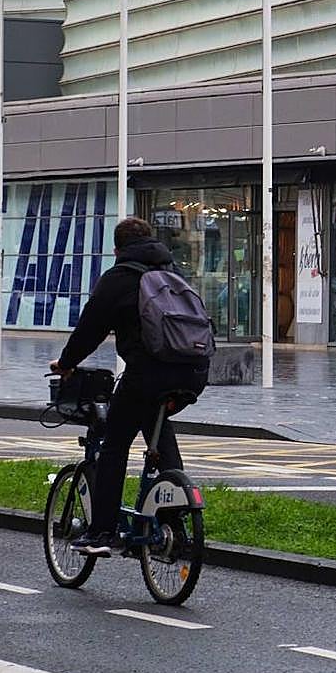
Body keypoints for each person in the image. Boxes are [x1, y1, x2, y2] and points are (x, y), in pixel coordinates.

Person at [50, 217, 210, 556]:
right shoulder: (174, 273)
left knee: (114, 444)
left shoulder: (119, 278)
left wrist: (65, 364)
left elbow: (90, 330)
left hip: (148, 374)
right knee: (158, 430)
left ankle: (102, 532)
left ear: (116, 249)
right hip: (193, 372)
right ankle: (174, 524)